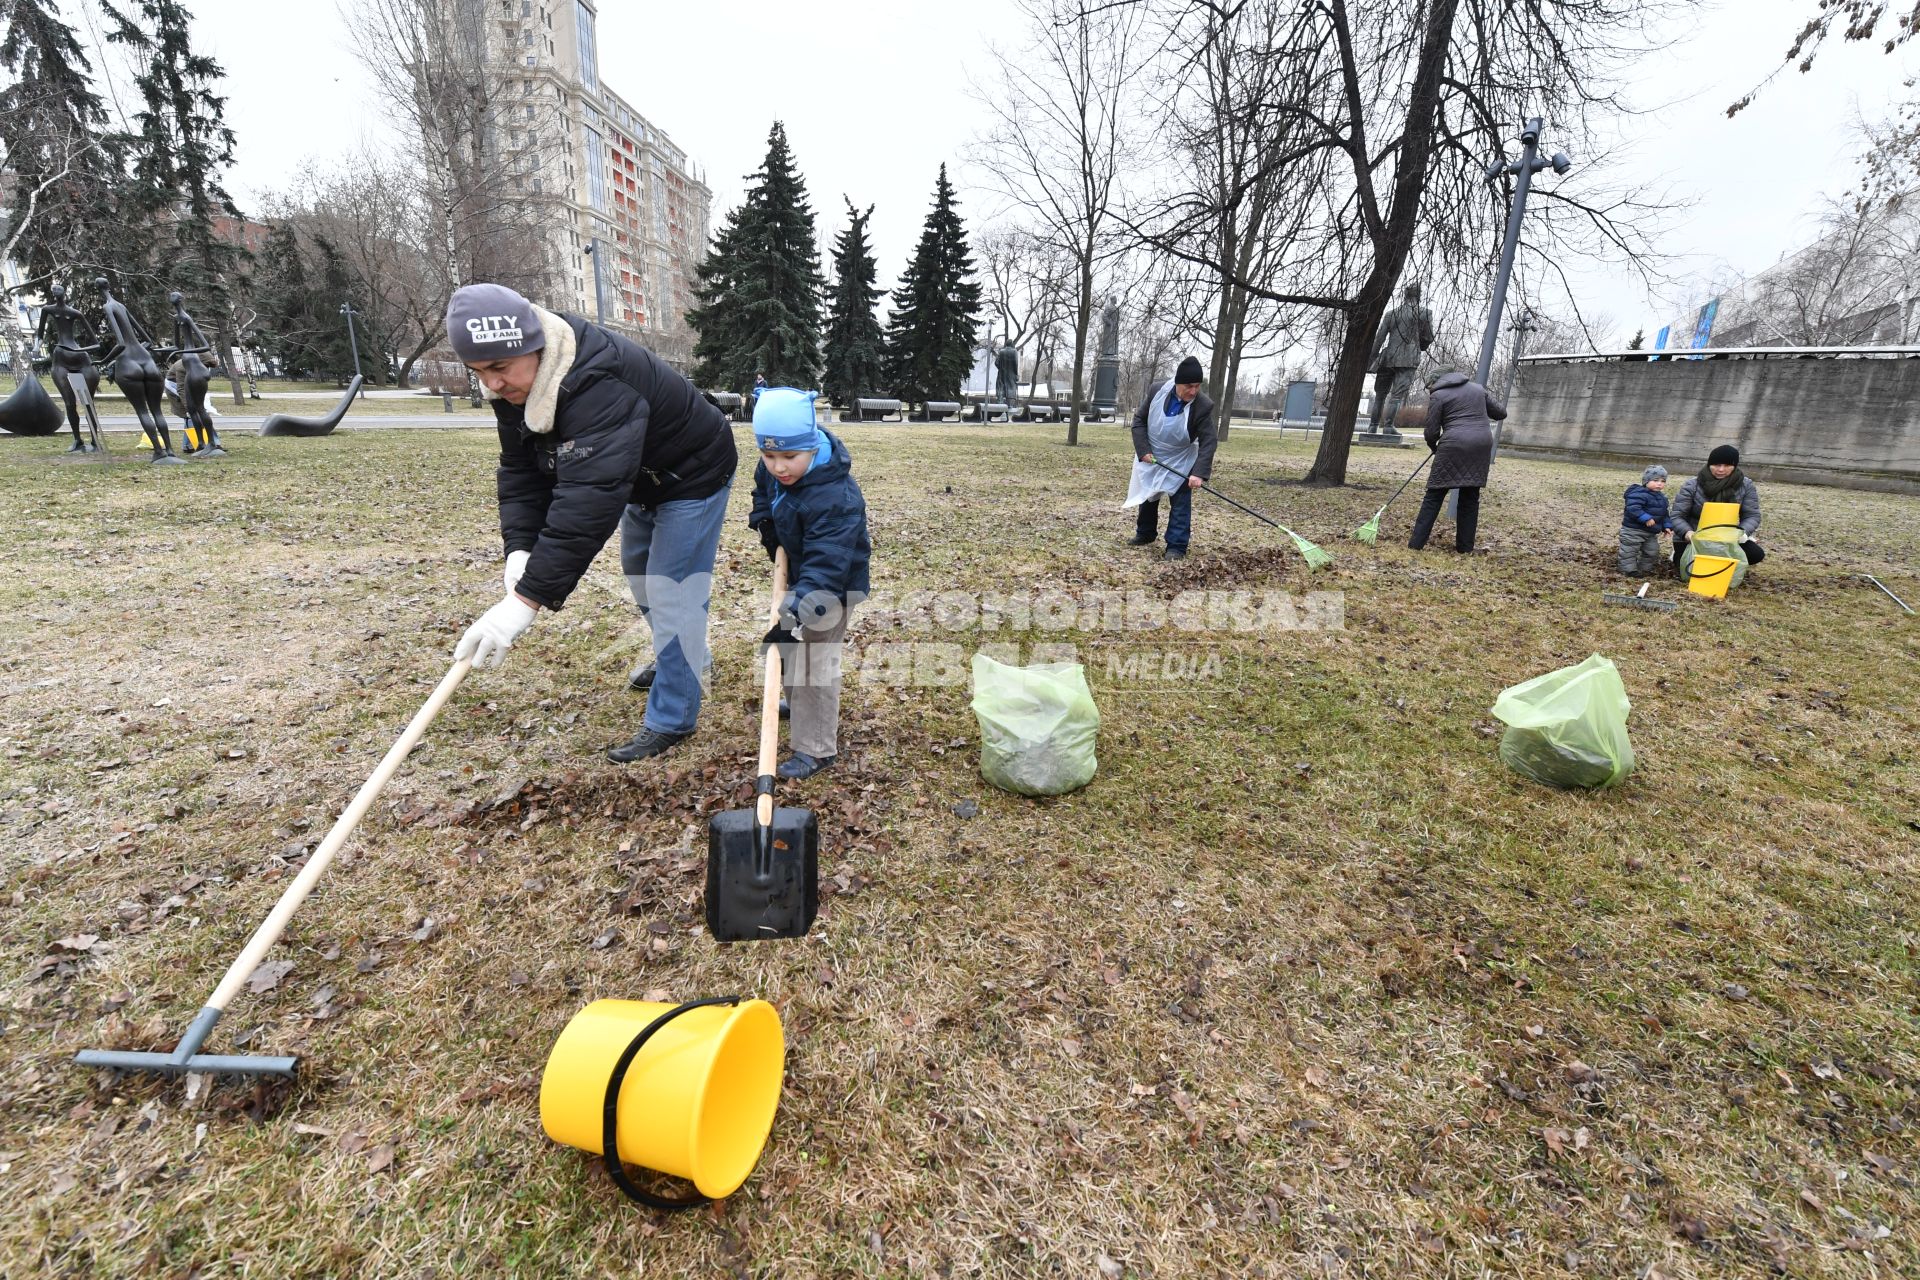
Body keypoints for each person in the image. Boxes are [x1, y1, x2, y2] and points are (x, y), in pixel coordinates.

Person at [447, 283, 737, 764]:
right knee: (642, 577)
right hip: (638, 476)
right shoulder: (516, 384)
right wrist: (520, 549)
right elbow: (521, 470)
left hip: (693, 472)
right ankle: (687, 661)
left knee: (671, 591)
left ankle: (673, 715)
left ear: (533, 344)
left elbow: (588, 498)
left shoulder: (595, 381)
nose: (492, 384)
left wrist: (526, 601)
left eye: (499, 369)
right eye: (478, 372)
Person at [746, 388, 870, 780]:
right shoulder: (771, 468)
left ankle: (816, 747)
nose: (779, 467)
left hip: (830, 587)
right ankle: (798, 703)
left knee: (814, 664)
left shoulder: (836, 497)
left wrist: (796, 616)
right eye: (770, 456)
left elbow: (827, 566)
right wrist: (765, 522)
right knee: (789, 655)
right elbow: (763, 492)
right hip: (801, 577)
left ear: (812, 447)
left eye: (789, 457)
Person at [1124, 356, 1217, 561]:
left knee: (1181, 502)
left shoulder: (1202, 405)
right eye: (1189, 386)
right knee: (1149, 494)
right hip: (1153, 455)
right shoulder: (1157, 391)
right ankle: (1145, 533)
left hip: (1182, 458)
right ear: (1177, 383)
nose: (1193, 391)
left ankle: (1176, 546)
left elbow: (1209, 441)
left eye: (1197, 386)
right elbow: (1139, 420)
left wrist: (1198, 473)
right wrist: (1143, 450)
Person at [1408, 370, 1505, 553]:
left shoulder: (1439, 395)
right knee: (1470, 497)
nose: (1430, 390)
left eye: (1429, 386)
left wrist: (1434, 446)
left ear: (1435, 381)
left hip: (1453, 445)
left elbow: (1431, 432)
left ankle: (1415, 545)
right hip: (1481, 444)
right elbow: (1500, 413)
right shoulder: (1478, 389)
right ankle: (1465, 548)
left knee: (1434, 496)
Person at [1669, 444, 1764, 572]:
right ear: (1709, 464)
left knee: (1756, 554)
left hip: (1727, 538)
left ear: (1734, 466)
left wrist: (1742, 533)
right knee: (1688, 567)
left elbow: (1752, 515)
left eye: (1726, 466)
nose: (1720, 469)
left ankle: (1722, 562)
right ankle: (1678, 553)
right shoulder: (1692, 485)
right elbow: (1677, 515)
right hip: (1693, 538)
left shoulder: (1746, 485)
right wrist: (1687, 533)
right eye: (1716, 465)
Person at [1366, 283, 1435, 438]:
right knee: (1397, 395)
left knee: (1380, 395)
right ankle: (1388, 426)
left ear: (1405, 295)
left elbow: (1379, 338)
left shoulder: (1391, 314)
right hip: (1408, 359)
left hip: (1388, 357)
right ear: (1419, 295)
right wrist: (1420, 346)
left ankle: (1372, 426)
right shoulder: (1424, 313)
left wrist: (1372, 358)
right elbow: (1429, 337)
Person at [1618, 465, 1672, 576]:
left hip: (1650, 532)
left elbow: (1664, 513)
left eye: (1663, 481)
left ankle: (1644, 569)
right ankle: (1628, 570)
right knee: (1629, 551)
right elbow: (1633, 508)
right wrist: (1645, 517)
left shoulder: (1662, 498)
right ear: (1646, 481)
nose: (1659, 483)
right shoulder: (1638, 494)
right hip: (1633, 530)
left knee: (1652, 551)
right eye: (1655, 480)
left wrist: (1667, 526)